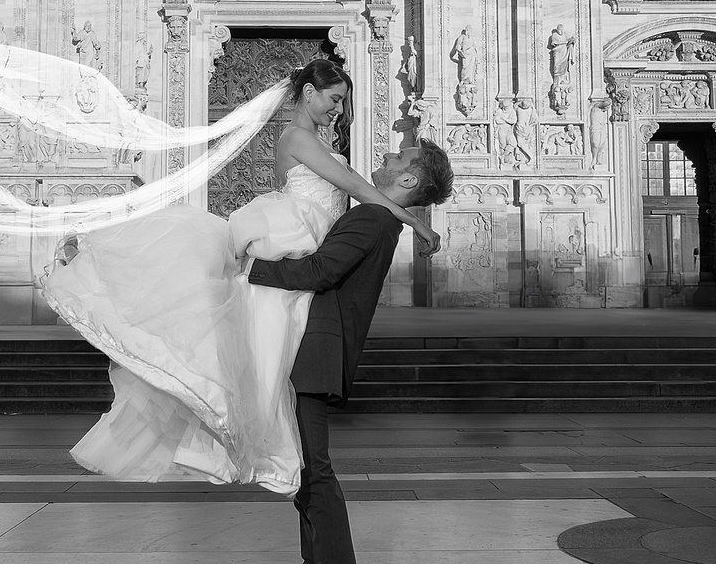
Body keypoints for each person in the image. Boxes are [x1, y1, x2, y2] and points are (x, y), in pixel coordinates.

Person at [40, 60, 435, 493]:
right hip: (290, 237)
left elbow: (356, 185)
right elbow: (356, 186)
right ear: (308, 93)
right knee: (266, 345)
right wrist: (414, 221)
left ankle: (262, 445)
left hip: (305, 238)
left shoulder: (314, 140)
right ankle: (253, 442)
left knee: (271, 346)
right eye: (334, 98)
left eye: (342, 101)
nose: (339, 109)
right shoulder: (298, 137)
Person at [246, 134, 456, 564]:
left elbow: (320, 271)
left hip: (315, 353)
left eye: (398, 158)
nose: (384, 157)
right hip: (317, 352)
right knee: (304, 470)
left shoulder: (371, 217)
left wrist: (248, 266)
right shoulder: (382, 219)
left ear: (408, 178)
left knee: (315, 471)